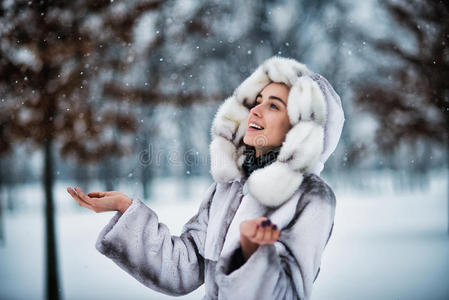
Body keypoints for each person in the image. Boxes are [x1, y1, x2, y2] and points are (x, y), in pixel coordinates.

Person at [67, 56, 345, 300]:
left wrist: (252, 253)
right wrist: (126, 208)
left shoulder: (311, 196)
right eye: (257, 101)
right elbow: (183, 268)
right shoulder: (229, 187)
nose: (255, 110)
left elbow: (289, 294)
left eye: (273, 106)